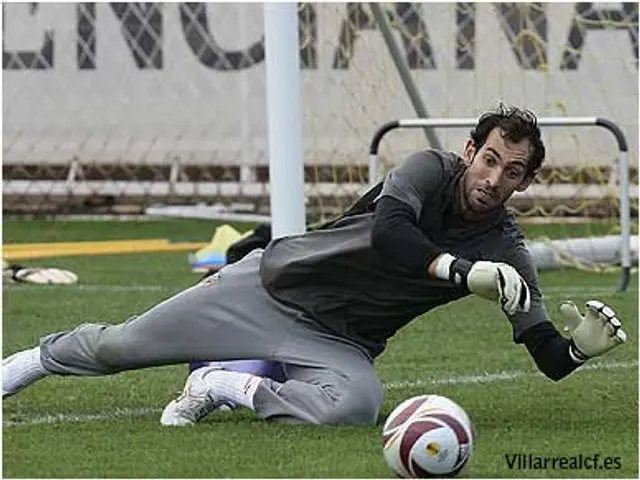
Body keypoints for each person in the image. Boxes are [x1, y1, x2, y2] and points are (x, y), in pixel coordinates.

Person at [3, 104, 627, 428]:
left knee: (354, 406)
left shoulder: (508, 250)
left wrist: (575, 351)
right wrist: (460, 273)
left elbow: (541, 352)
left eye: (512, 171)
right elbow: (390, 234)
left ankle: (222, 386)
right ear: (470, 151)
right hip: (271, 287)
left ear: (525, 182)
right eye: (489, 159)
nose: (494, 178)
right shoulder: (427, 169)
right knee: (119, 347)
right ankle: (27, 362)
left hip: (340, 342)